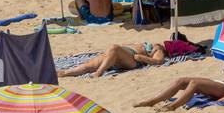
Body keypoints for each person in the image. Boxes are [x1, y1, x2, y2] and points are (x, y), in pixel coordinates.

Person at [60, 34, 198, 78]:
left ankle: (99, 73)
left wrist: (142, 58)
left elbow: (158, 62)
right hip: (122, 54)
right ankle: (64, 73)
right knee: (86, 65)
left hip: (131, 59)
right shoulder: (156, 46)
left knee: (113, 48)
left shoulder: (159, 50)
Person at [134, 71, 224, 111]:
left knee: (193, 83)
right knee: (181, 81)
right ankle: (152, 101)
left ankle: (173, 106)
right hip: (219, 84)